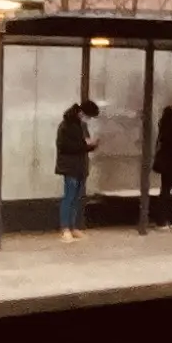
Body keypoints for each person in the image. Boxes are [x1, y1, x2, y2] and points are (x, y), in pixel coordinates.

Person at [52, 95, 100, 237]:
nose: (88, 120)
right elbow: (63, 146)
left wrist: (92, 145)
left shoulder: (82, 125)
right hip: (69, 166)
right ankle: (65, 227)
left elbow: (84, 144)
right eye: (88, 116)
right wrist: (85, 146)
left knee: (77, 198)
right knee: (69, 196)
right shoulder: (65, 125)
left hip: (80, 165)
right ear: (81, 113)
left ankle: (73, 227)